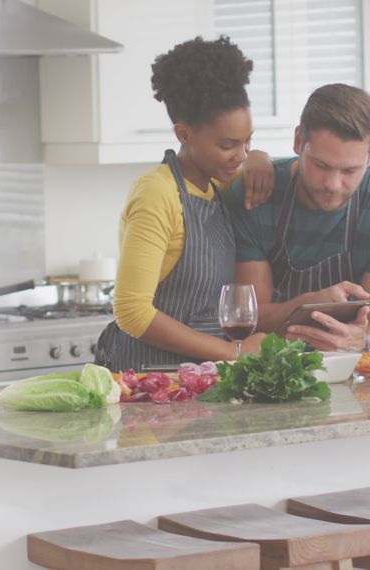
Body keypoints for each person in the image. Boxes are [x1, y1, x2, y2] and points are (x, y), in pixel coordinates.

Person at [94, 36, 272, 372]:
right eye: (227, 144)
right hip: (150, 377)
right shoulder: (156, 193)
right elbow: (132, 311)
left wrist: (259, 157)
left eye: (248, 141)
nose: (241, 155)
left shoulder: (219, 184)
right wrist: (232, 353)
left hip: (204, 378)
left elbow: (257, 168)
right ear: (184, 134)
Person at [225, 83, 370, 352]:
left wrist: (362, 340)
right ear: (297, 142)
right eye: (321, 166)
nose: (333, 184)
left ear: (369, 159)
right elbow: (250, 319)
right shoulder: (257, 196)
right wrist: (310, 303)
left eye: (350, 170)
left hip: (351, 365)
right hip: (269, 361)